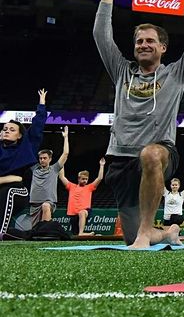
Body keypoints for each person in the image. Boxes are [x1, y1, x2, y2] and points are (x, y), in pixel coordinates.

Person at [95, 0, 184, 248]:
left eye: (149, 41)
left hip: (161, 152)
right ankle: (163, 232)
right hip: (120, 156)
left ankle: (146, 233)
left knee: (150, 154)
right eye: (138, 42)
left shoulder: (176, 74)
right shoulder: (121, 71)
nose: (143, 45)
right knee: (131, 235)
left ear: (163, 47)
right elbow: (100, 35)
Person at [0, 92, 49, 237]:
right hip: (6, 183)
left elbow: (37, 127)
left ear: (20, 135)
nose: (7, 131)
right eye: (5, 129)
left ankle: (1, 232)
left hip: (17, 192)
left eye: (12, 130)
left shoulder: (26, 148)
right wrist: (11, 178)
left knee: (7, 191)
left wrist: (41, 105)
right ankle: (15, 233)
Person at [29, 119, 67, 225]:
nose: (42, 160)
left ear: (50, 159)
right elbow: (27, 153)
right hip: (34, 203)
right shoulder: (34, 168)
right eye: (40, 158)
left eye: (44, 158)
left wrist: (66, 137)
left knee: (45, 206)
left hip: (48, 202)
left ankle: (47, 231)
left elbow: (65, 154)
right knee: (34, 229)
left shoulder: (54, 169)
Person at [59, 155, 106, 237]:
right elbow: (62, 177)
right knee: (75, 233)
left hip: (85, 211)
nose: (85, 181)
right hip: (73, 214)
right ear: (78, 179)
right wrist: (61, 163)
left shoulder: (89, 187)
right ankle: (85, 234)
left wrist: (102, 165)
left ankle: (81, 233)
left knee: (82, 212)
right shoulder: (71, 186)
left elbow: (99, 178)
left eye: (86, 179)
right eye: (83, 179)